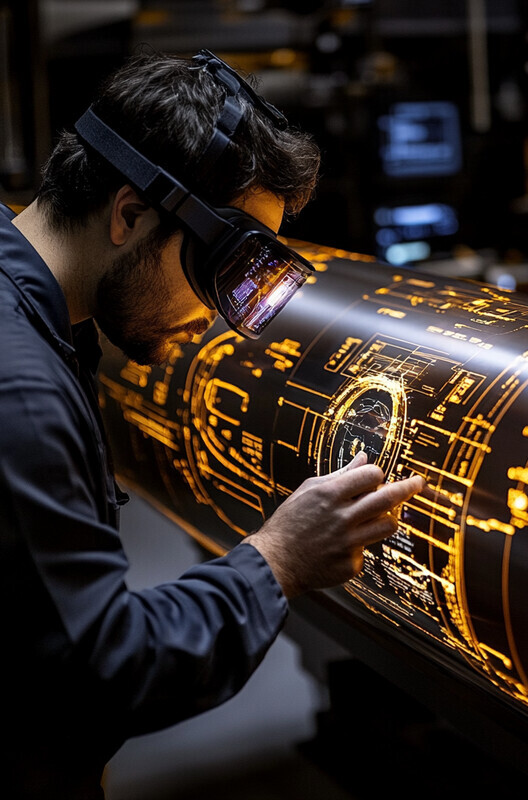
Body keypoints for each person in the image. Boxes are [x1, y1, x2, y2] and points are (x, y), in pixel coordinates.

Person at [0, 50, 425, 798]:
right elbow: (103, 671)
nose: (209, 321)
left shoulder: (29, 308)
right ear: (130, 213)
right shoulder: (21, 392)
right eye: (215, 271)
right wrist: (279, 560)